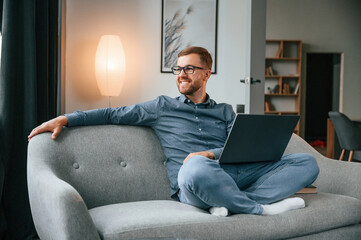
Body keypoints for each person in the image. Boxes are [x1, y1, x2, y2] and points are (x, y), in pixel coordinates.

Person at [28, 46, 319, 216]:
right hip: (194, 181)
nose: (180, 74)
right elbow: (112, 113)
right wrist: (66, 118)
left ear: (206, 74)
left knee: (306, 163)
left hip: (233, 173)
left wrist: (212, 152)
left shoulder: (225, 111)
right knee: (195, 168)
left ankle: (229, 202)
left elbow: (236, 147)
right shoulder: (161, 107)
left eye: (189, 69)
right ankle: (261, 209)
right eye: (177, 69)